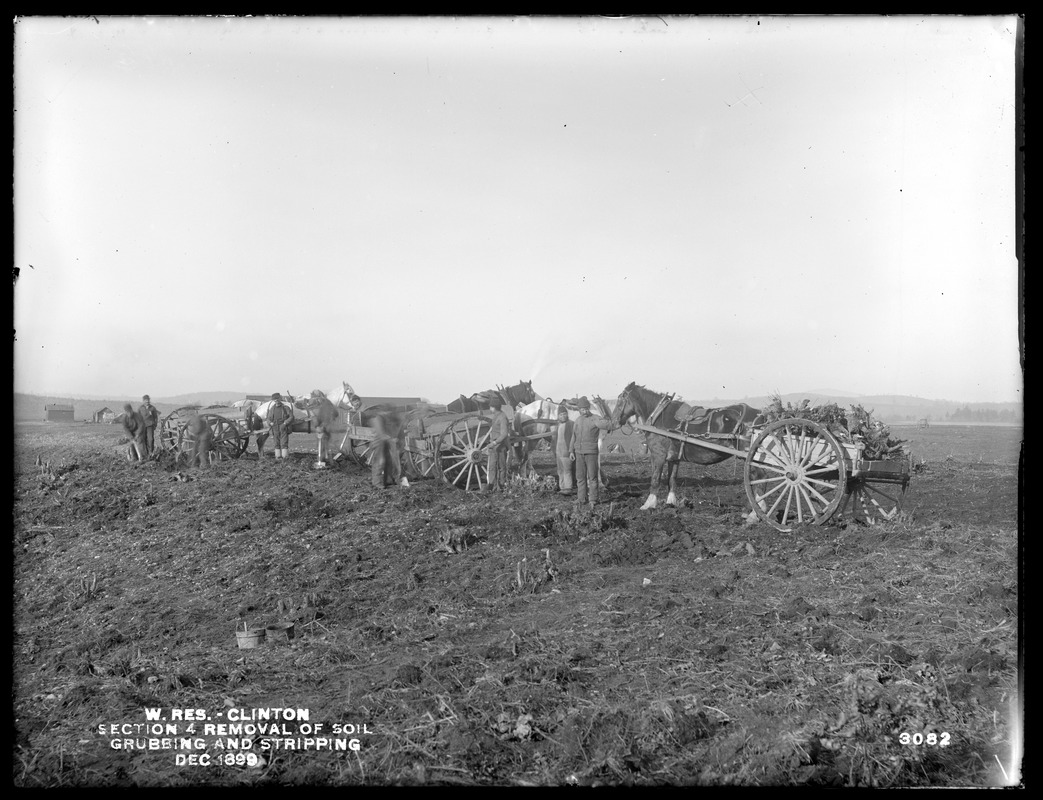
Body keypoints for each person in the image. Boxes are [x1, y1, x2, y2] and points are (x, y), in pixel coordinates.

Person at [570, 396, 614, 508]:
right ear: (579, 409)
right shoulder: (578, 421)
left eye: (585, 408)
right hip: (579, 453)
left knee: (593, 477)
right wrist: (571, 451)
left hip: (591, 453)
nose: (584, 411)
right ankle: (581, 499)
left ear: (588, 408)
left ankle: (593, 499)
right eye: (581, 409)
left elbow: (608, 425)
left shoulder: (595, 419)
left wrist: (616, 422)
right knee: (580, 477)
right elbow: (573, 437)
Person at [369, 408, 409, 489]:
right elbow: (381, 433)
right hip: (379, 443)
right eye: (387, 412)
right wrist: (391, 439)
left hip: (387, 443)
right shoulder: (378, 419)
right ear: (383, 411)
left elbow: (396, 430)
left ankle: (391, 480)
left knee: (392, 462)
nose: (388, 414)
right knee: (380, 462)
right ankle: (377, 483)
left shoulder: (389, 419)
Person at [485, 397, 511, 491]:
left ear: (494, 407)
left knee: (501, 467)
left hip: (500, 446)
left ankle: (502, 485)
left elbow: (504, 434)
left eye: (490, 407)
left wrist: (494, 443)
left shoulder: (502, 417)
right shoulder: (496, 416)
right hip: (494, 446)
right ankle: (492, 485)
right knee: (492, 467)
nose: (490, 409)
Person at [550, 404, 576, 495]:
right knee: (560, 470)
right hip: (558, 452)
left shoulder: (571, 424)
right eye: (561, 414)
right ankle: (562, 487)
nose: (563, 416)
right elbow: (554, 440)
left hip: (567, 452)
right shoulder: (557, 425)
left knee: (567, 470)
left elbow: (574, 438)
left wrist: (571, 451)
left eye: (565, 414)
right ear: (558, 416)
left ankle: (568, 488)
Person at [311, 390, 339, 468]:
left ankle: (321, 461)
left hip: (327, 426)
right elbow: (318, 417)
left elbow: (331, 415)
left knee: (322, 443)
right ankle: (325, 459)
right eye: (314, 398)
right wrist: (317, 425)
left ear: (321, 396)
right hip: (322, 426)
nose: (316, 399)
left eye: (317, 397)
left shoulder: (327, 404)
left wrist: (323, 426)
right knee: (321, 443)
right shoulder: (321, 404)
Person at [266, 393, 294, 461]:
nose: (276, 401)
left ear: (280, 398)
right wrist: (270, 423)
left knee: (284, 442)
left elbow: (291, 417)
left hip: (283, 427)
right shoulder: (272, 409)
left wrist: (285, 423)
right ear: (273, 401)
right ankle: (278, 457)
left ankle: (284, 457)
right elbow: (268, 418)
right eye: (275, 400)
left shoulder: (285, 408)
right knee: (276, 443)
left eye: (277, 399)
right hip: (275, 427)